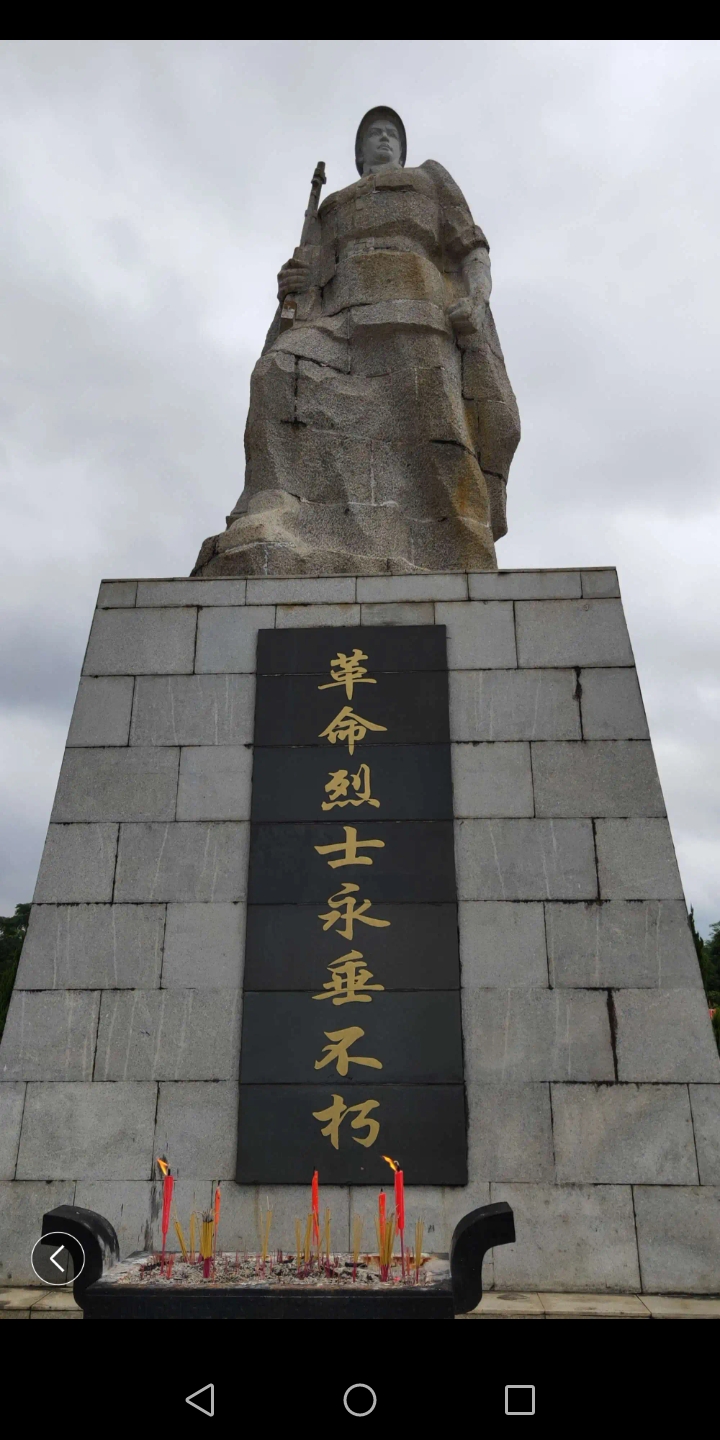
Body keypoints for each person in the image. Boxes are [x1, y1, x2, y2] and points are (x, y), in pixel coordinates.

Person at [194, 107, 520, 577]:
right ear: (359, 153)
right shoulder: (332, 207)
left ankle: (459, 539)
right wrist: (294, 282)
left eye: (391, 133)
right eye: (373, 134)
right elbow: (312, 274)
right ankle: (278, 504)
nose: (383, 138)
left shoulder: (429, 180)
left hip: (413, 308)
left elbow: (471, 249)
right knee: (276, 372)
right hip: (339, 318)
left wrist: (476, 297)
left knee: (437, 423)